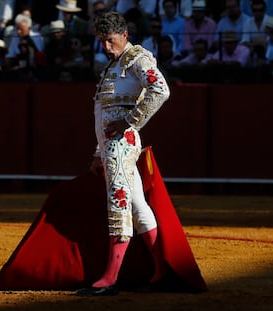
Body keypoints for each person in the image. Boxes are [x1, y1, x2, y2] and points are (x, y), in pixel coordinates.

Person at [76, 11, 170, 296]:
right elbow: (102, 115)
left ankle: (110, 278)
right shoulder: (114, 66)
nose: (106, 47)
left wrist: (131, 121)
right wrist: (97, 152)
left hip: (122, 144)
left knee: (118, 204)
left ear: (125, 35)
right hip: (112, 146)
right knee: (138, 208)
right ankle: (161, 272)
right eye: (101, 41)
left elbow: (161, 89)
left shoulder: (137, 58)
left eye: (110, 40)